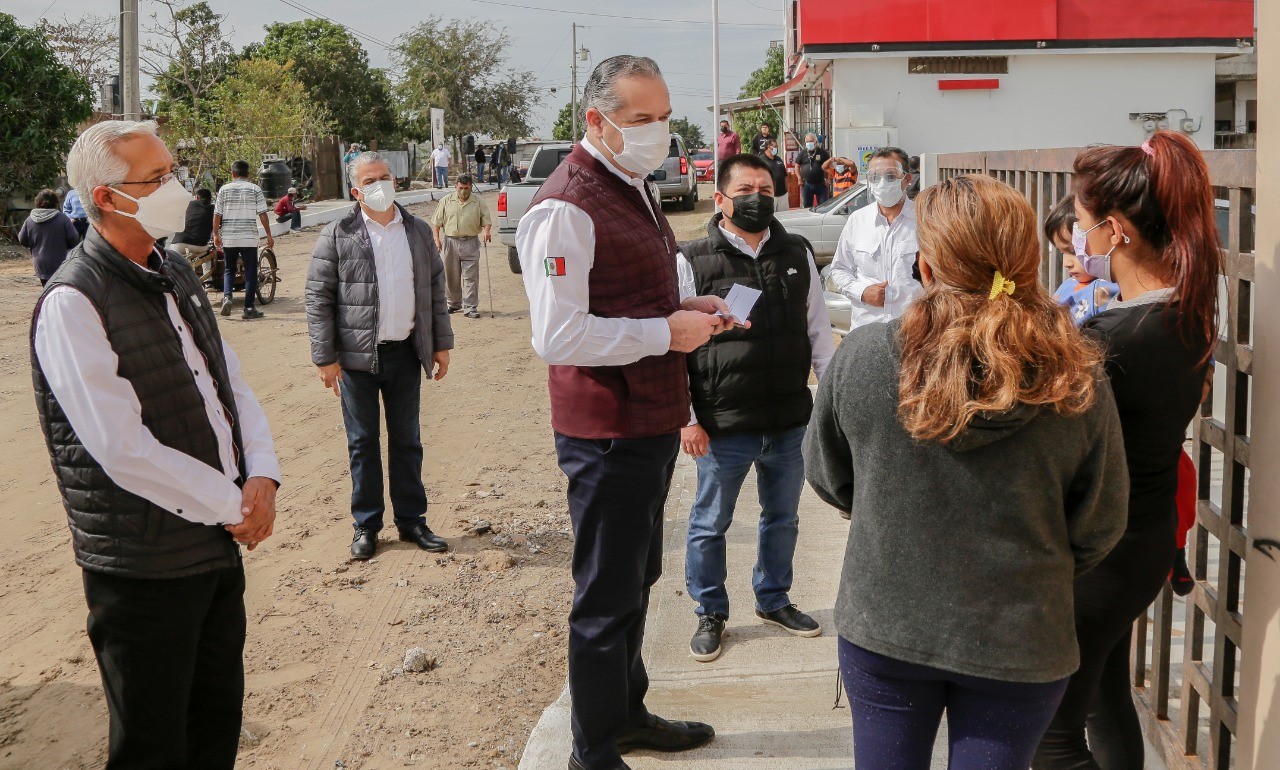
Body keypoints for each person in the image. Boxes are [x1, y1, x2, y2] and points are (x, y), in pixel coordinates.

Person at [805, 173, 1129, 770]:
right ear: (1028, 262)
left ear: (926, 267)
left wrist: (887, 504)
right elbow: (1100, 522)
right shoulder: (1075, 377)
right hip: (1021, 632)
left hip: (888, 618)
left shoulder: (868, 359)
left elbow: (828, 475)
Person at [30, 119, 280, 769]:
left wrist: (262, 476)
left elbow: (229, 382)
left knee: (214, 726)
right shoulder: (72, 301)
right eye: (160, 177)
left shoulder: (173, 270)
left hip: (212, 548)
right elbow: (122, 448)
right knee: (152, 746)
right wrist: (235, 504)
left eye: (174, 171)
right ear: (110, 199)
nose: (179, 188)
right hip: (143, 569)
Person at [516, 55, 730, 770]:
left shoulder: (629, 183)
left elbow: (630, 289)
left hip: (646, 419)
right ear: (596, 121)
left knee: (636, 579)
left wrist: (683, 307)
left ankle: (626, 713)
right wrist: (663, 334)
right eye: (641, 120)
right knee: (605, 595)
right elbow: (558, 335)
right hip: (605, 430)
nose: (658, 131)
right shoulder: (566, 205)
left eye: (664, 116)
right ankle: (593, 749)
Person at [1033, 131, 1224, 770]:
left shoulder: (1116, 334)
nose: (1079, 242)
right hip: (1145, 537)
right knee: (1103, 699)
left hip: (1100, 551)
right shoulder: (1185, 311)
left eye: (1084, 226)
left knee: (1051, 740)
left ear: (1117, 231)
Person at [677, 153, 836, 662]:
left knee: (783, 518)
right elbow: (673, 346)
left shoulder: (797, 251)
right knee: (709, 523)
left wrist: (831, 404)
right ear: (720, 198)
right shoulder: (692, 259)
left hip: (789, 419)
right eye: (746, 189)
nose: (757, 198)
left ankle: (773, 599)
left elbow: (818, 333)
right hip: (722, 424)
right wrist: (687, 419)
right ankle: (711, 611)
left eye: (767, 190)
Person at [306, 151, 454, 561]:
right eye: (370, 181)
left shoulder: (419, 231)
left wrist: (441, 343)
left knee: (408, 441)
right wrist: (324, 358)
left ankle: (412, 522)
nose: (380, 186)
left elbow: (434, 292)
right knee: (362, 443)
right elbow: (318, 299)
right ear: (356, 191)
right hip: (355, 361)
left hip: (406, 352)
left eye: (385, 177)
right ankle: (367, 526)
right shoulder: (338, 234)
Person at [827, 146, 923, 335]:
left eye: (890, 176)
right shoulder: (857, 220)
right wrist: (861, 292)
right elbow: (839, 270)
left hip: (913, 332)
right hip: (867, 331)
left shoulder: (925, 221)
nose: (882, 183)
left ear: (907, 179)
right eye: (875, 177)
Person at [1045, 195, 1119, 325]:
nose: (1067, 263)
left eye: (1073, 251)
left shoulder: (1111, 289)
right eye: (1062, 253)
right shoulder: (1068, 286)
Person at [213, 160, 273, 320]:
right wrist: (268, 235)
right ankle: (248, 308)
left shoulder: (224, 190)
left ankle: (227, 297)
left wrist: (216, 234)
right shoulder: (255, 189)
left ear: (233, 174)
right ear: (248, 174)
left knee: (229, 270)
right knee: (251, 272)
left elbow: (217, 214)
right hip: (249, 238)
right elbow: (263, 214)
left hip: (229, 237)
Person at [432, 174, 492, 319]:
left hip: (470, 242)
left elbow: (486, 218)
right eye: (460, 188)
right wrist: (437, 240)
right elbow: (436, 222)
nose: (463, 191)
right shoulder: (446, 201)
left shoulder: (477, 202)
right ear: (455, 187)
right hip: (450, 242)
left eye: (466, 188)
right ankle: (453, 303)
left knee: (470, 276)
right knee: (450, 275)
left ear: (471, 187)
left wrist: (487, 231)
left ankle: (470, 307)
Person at [19, 189, 79, 285]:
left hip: (40, 263)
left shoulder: (30, 219)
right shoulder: (62, 218)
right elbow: (74, 239)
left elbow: (22, 239)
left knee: (46, 289)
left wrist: (35, 246)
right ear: (55, 201)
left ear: (37, 201)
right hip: (60, 262)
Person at [170, 187, 216, 259]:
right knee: (208, 254)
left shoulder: (188, 204)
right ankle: (206, 270)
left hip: (179, 243)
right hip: (200, 246)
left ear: (197, 197)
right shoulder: (215, 209)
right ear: (210, 198)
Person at [793, 133, 830, 207]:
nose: (809, 143)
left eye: (811, 141)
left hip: (821, 184)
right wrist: (799, 178)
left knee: (823, 206)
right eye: (807, 142)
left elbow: (830, 167)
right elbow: (797, 166)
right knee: (807, 206)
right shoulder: (802, 153)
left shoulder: (823, 152)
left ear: (815, 142)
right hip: (807, 184)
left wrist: (829, 179)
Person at [762, 141, 789, 212]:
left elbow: (785, 175)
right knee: (771, 218)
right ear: (769, 147)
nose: (777, 148)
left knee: (785, 216)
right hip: (770, 196)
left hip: (783, 194)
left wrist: (787, 189)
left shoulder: (778, 159)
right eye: (775, 146)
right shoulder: (761, 160)